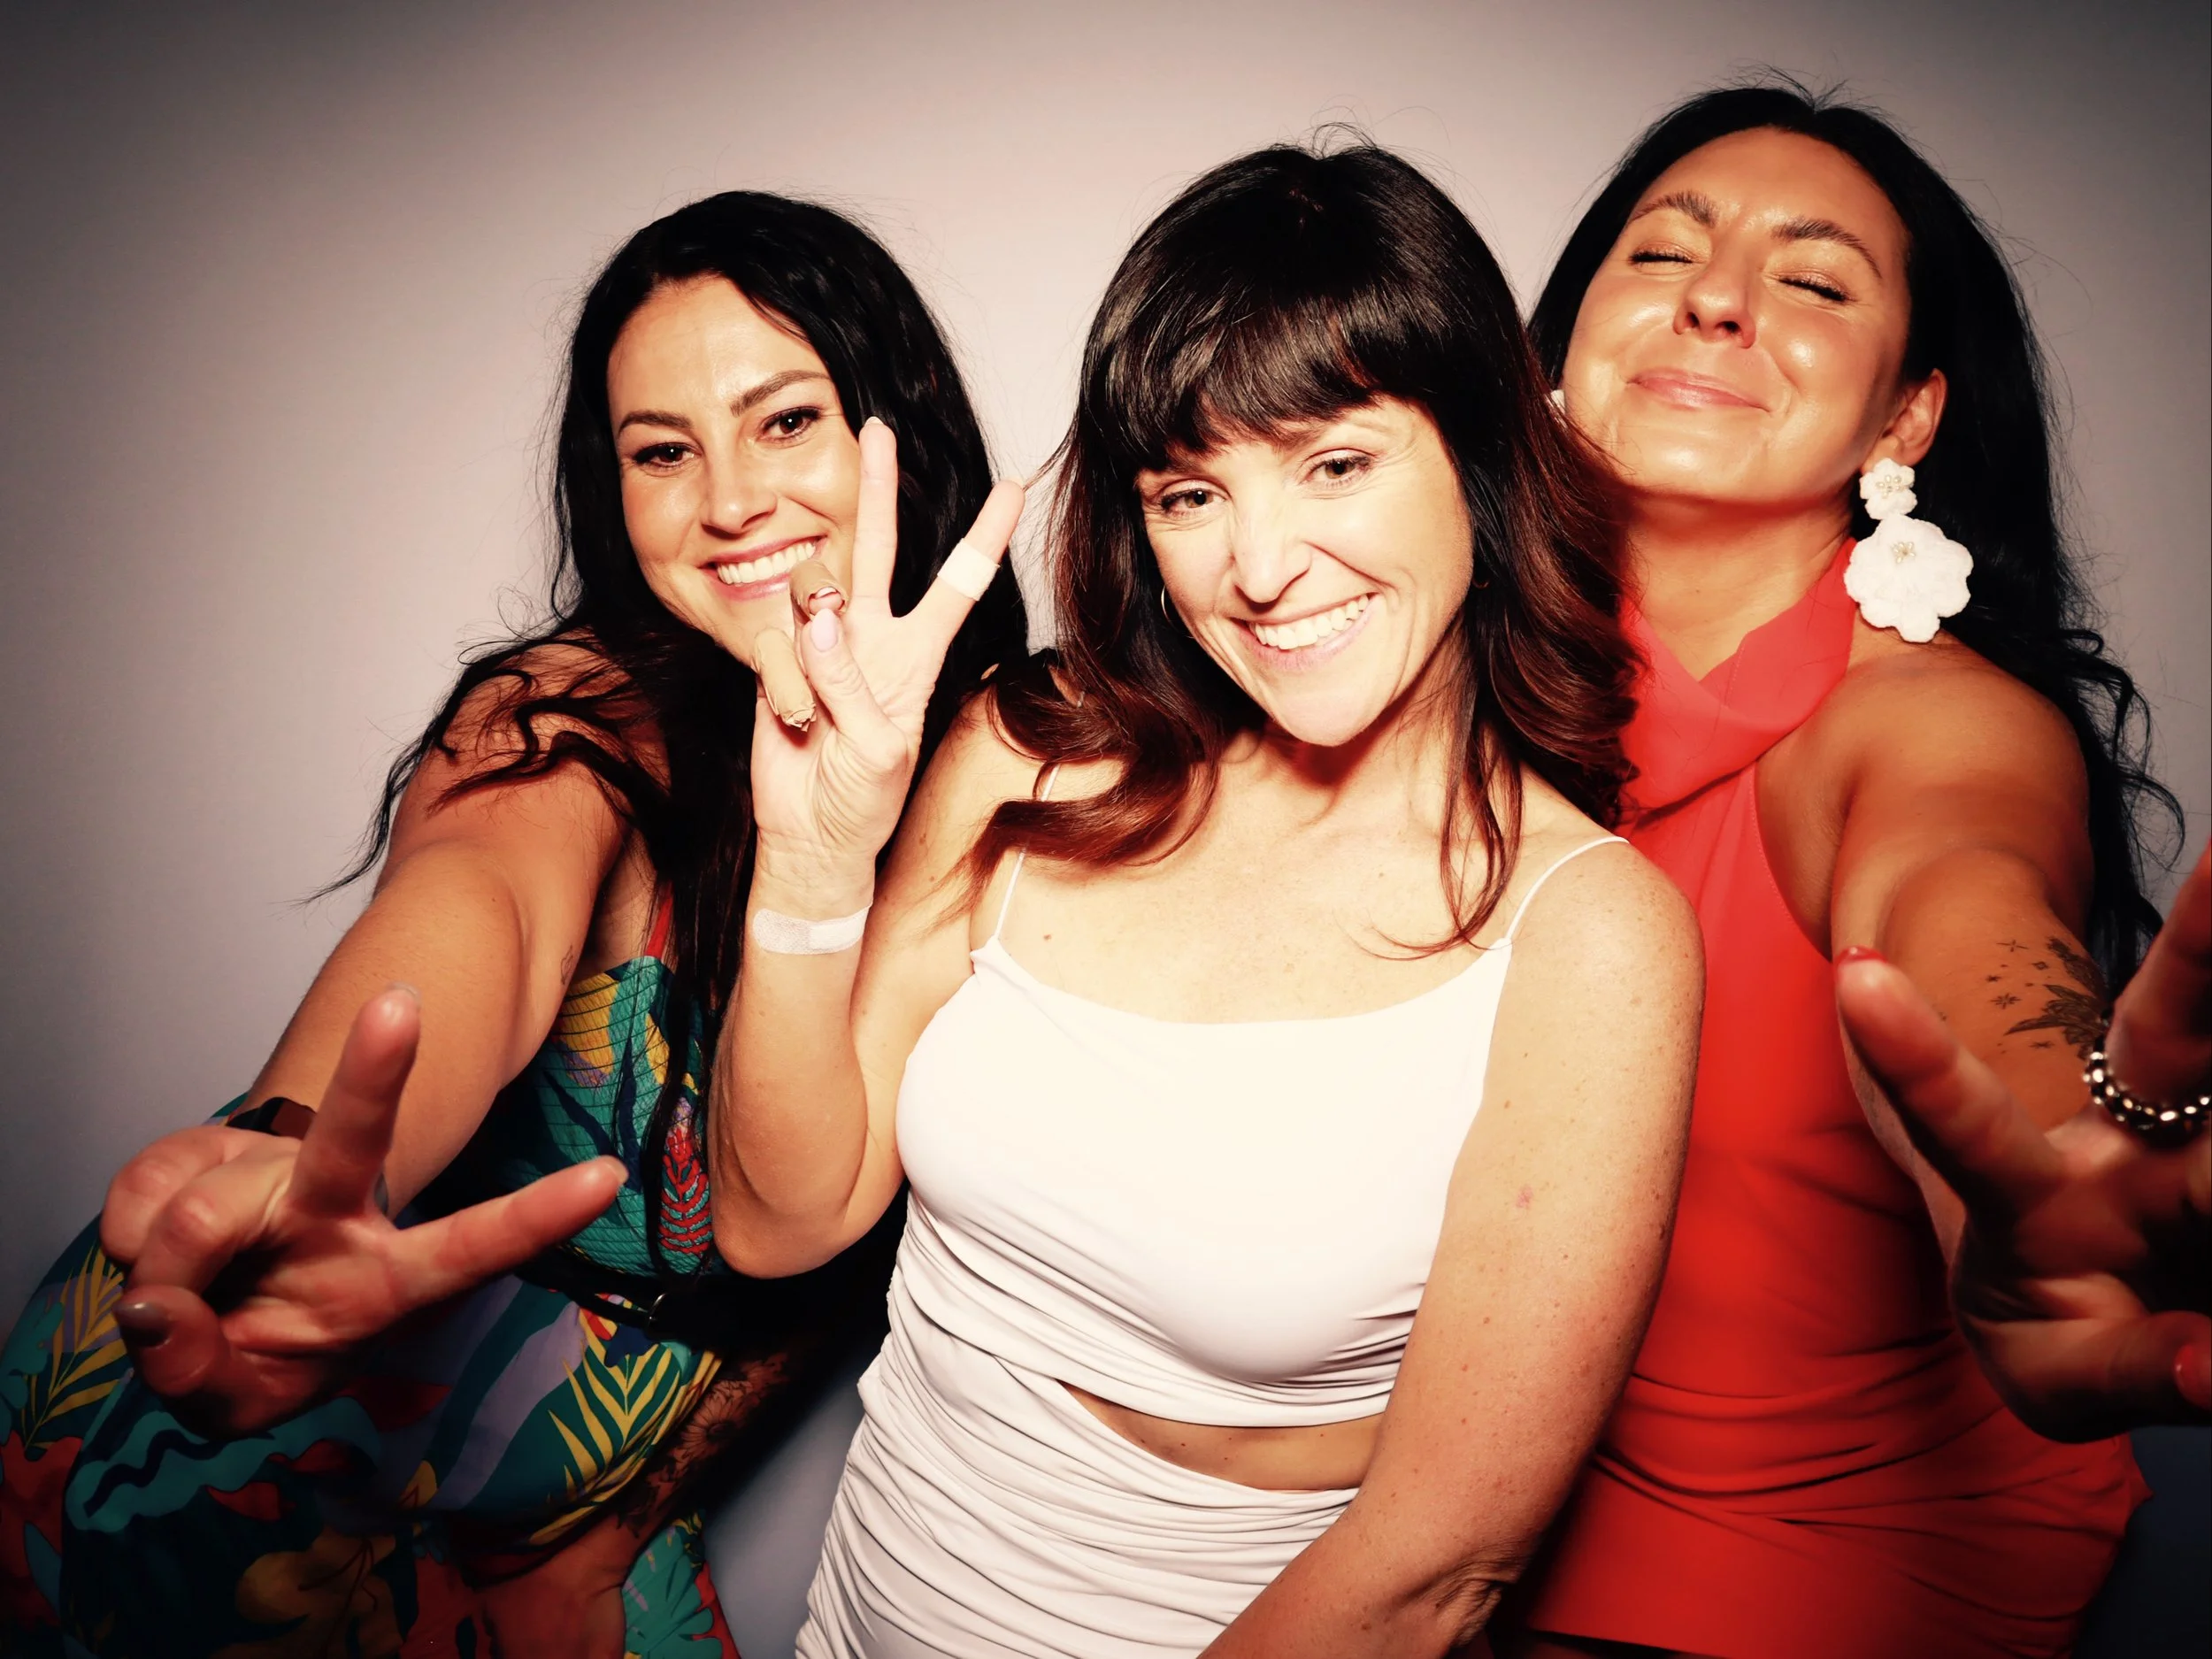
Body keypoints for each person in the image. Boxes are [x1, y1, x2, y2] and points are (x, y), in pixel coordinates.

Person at [0, 189, 1028, 1658]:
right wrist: (299, 1166)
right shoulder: (563, 724)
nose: (727, 499)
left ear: (897, 438)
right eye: (660, 451)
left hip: (571, 1501)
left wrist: (620, 1524)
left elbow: (867, 1243)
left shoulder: (995, 776)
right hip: (243, 1422)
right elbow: (472, 904)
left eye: (784, 421)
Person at [712, 142, 1703, 1657]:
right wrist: (812, 862)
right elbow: (780, 1221)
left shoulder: (1589, 937)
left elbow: (1438, 1563)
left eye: (1335, 464)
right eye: (1190, 491)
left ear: (1482, 456)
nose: (1258, 565)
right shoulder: (1026, 756)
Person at [1502, 81, 2192, 1659]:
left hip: (1826, 1565)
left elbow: (1970, 910)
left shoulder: (1932, 725)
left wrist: (2062, 1143)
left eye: (1814, 282)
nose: (1720, 301)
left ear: (1906, 420)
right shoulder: (1437, 691)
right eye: (1661, 252)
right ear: (1558, 356)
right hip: (1480, 1515)